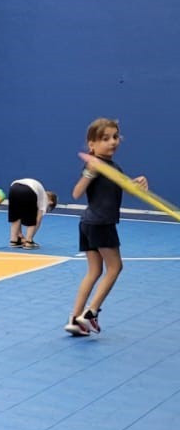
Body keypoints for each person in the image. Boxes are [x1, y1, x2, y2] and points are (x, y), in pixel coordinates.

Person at [66, 118, 149, 336]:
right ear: (91, 144)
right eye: (105, 139)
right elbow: (76, 193)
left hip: (89, 224)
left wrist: (138, 183)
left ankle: (74, 319)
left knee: (94, 271)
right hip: (100, 224)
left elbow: (127, 188)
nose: (112, 142)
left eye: (115, 137)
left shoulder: (113, 167)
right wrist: (89, 172)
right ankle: (90, 313)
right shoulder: (94, 165)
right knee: (115, 267)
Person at [6, 178, 56, 248]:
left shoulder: (39, 194)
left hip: (13, 188)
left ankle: (14, 240)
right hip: (29, 190)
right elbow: (38, 220)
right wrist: (29, 238)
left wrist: (20, 235)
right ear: (51, 202)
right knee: (33, 218)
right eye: (49, 208)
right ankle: (29, 242)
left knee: (16, 215)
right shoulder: (44, 199)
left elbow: (18, 216)